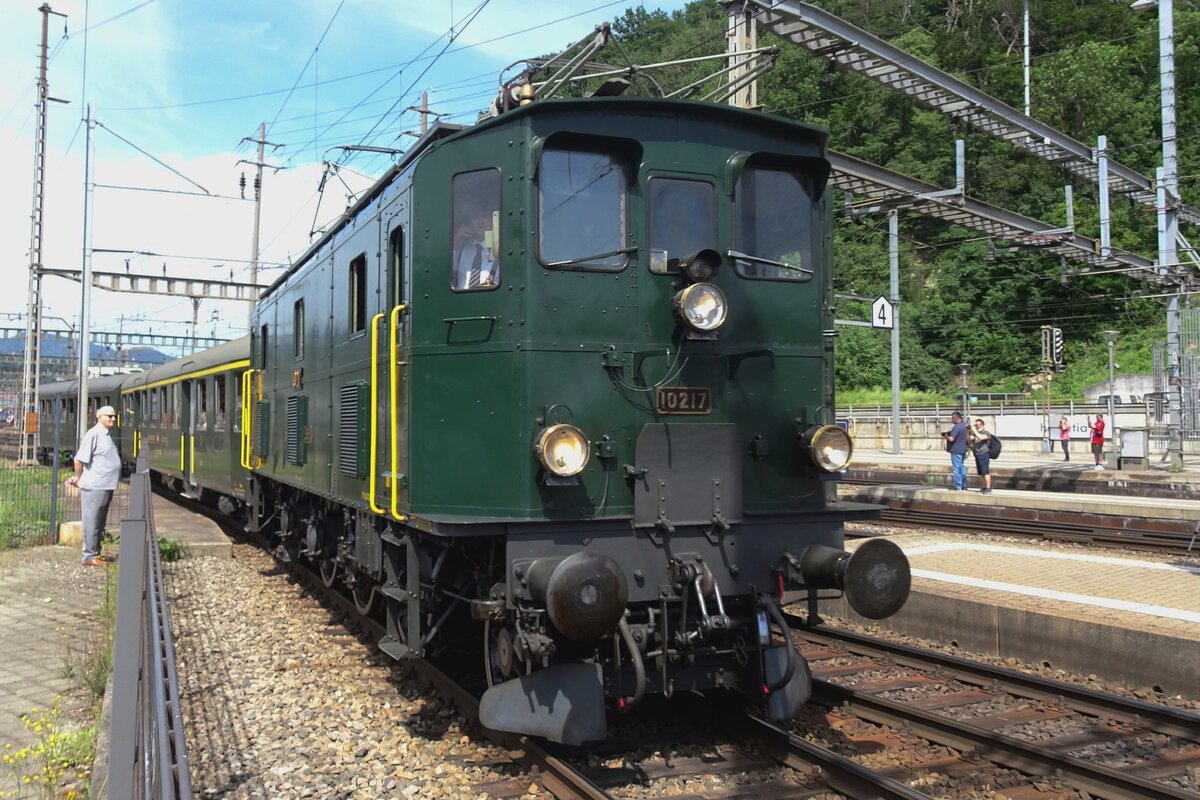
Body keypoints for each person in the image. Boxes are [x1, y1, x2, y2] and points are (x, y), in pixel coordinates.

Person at [66, 405, 121, 566]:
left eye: (114, 416)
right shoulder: (94, 434)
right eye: (109, 416)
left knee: (100, 521)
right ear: (99, 417)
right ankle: (89, 556)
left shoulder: (106, 435)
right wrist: (79, 477)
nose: (112, 419)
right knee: (92, 521)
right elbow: (78, 459)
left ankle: (96, 553)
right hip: (95, 486)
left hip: (105, 485)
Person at [452, 204, 499, 290]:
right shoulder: (460, 249)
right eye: (475, 217)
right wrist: (455, 244)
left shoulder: (500, 249)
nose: (480, 221)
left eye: (484, 216)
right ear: (468, 223)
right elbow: (442, 270)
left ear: (492, 220)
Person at [942, 410, 969, 490]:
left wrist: (946, 436)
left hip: (956, 450)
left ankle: (958, 486)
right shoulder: (964, 426)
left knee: (957, 469)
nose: (952, 419)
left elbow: (951, 439)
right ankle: (964, 485)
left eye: (953, 418)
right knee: (962, 468)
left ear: (956, 418)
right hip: (963, 450)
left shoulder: (956, 427)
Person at [969, 418, 994, 494]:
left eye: (977, 425)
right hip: (977, 454)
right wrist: (968, 431)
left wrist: (975, 431)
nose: (976, 426)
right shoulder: (976, 433)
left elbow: (982, 437)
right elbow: (970, 439)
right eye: (975, 425)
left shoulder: (986, 433)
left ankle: (988, 488)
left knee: (985, 472)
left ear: (982, 425)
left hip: (984, 454)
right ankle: (984, 486)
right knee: (981, 473)